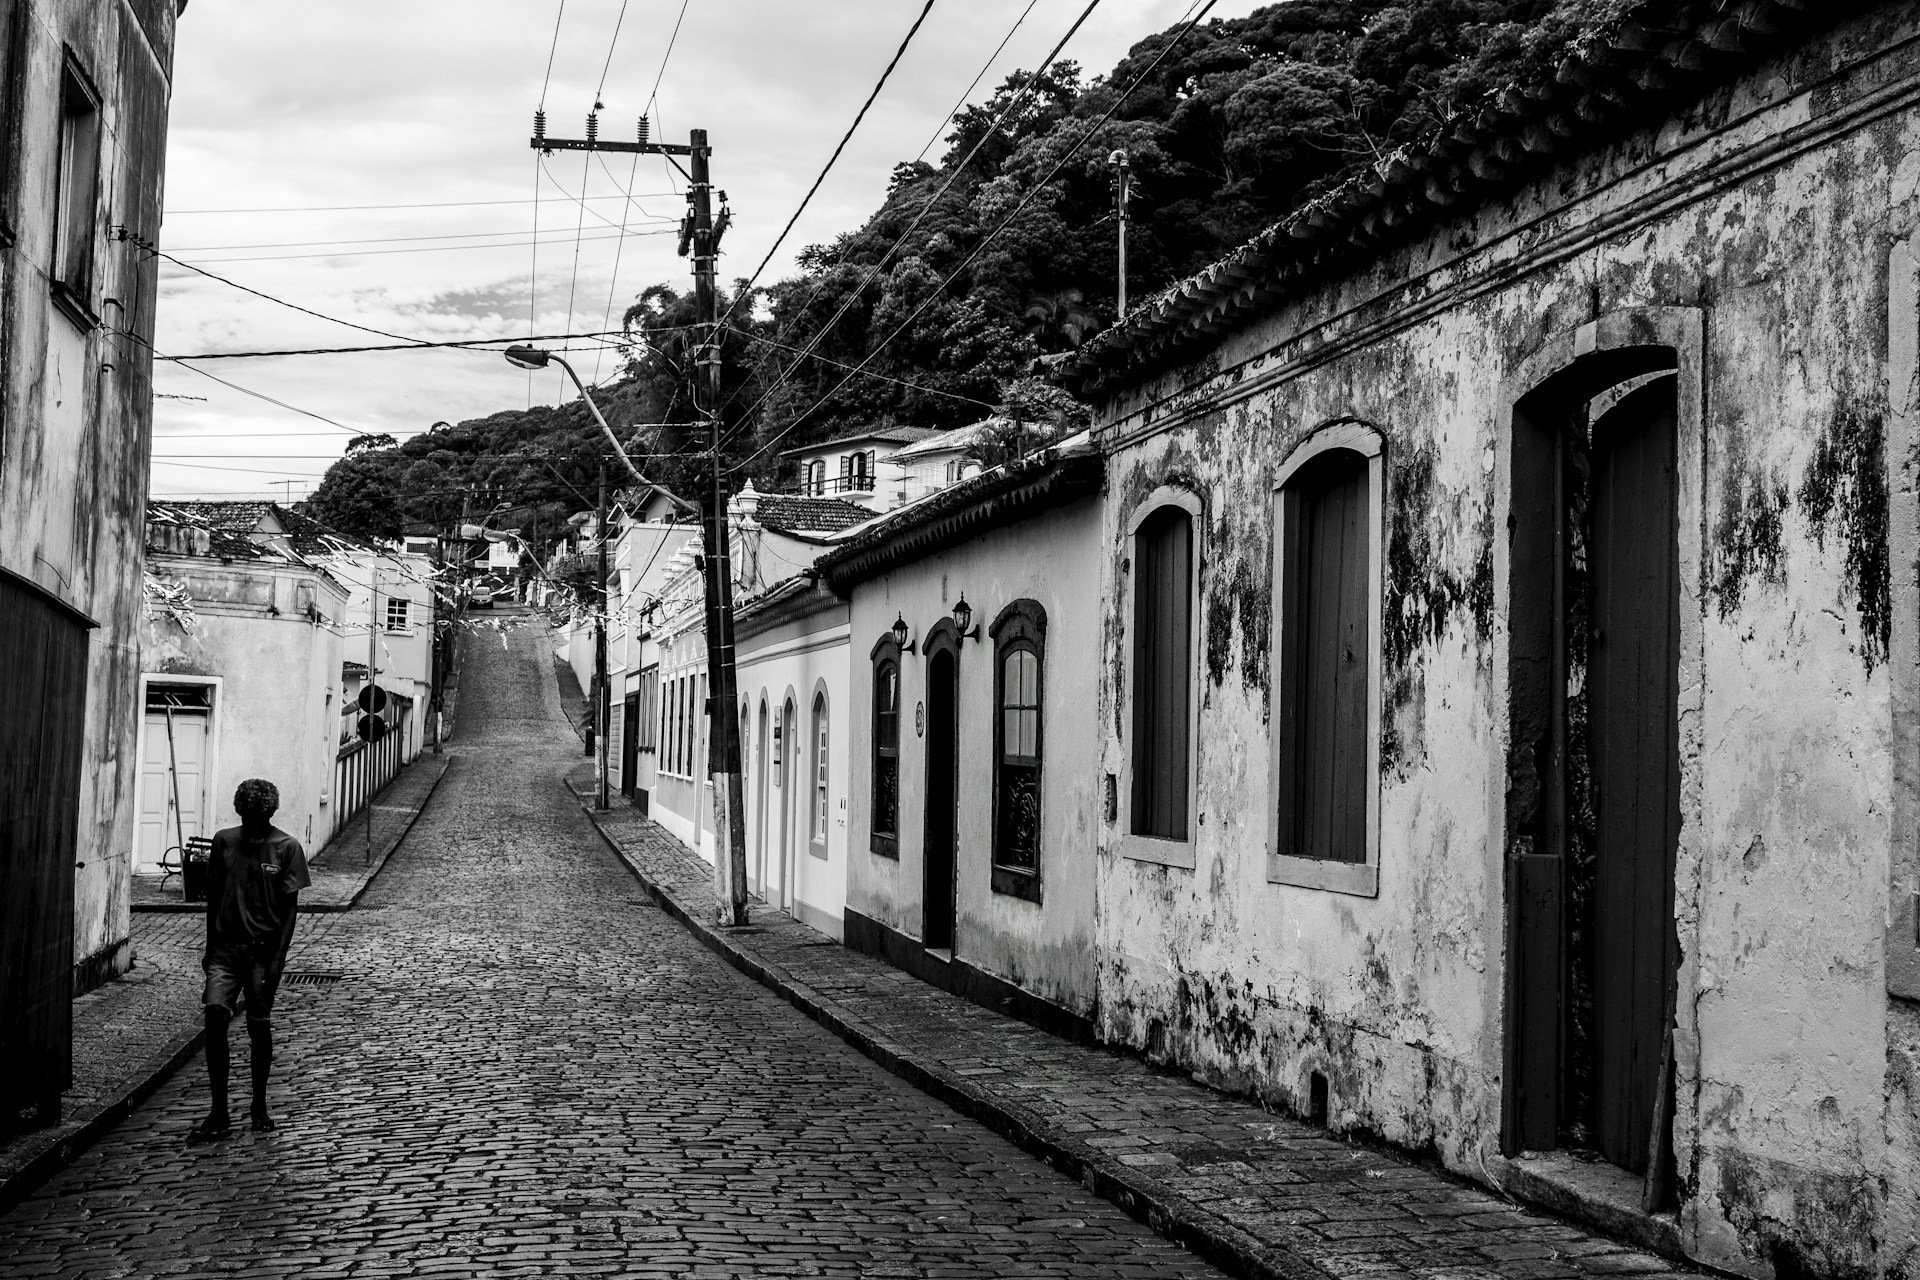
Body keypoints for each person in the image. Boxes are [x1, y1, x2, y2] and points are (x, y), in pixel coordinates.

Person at [188, 778, 310, 1142]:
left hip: (262, 952)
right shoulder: (225, 841)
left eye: (259, 820)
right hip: (225, 951)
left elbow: (291, 909)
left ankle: (259, 1105)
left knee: (259, 1026)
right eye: (247, 820)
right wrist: (210, 949)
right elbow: (213, 898)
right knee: (214, 1018)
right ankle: (219, 1111)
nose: (253, 828)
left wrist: (279, 960)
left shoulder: (287, 848)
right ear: (240, 814)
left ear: (270, 814)